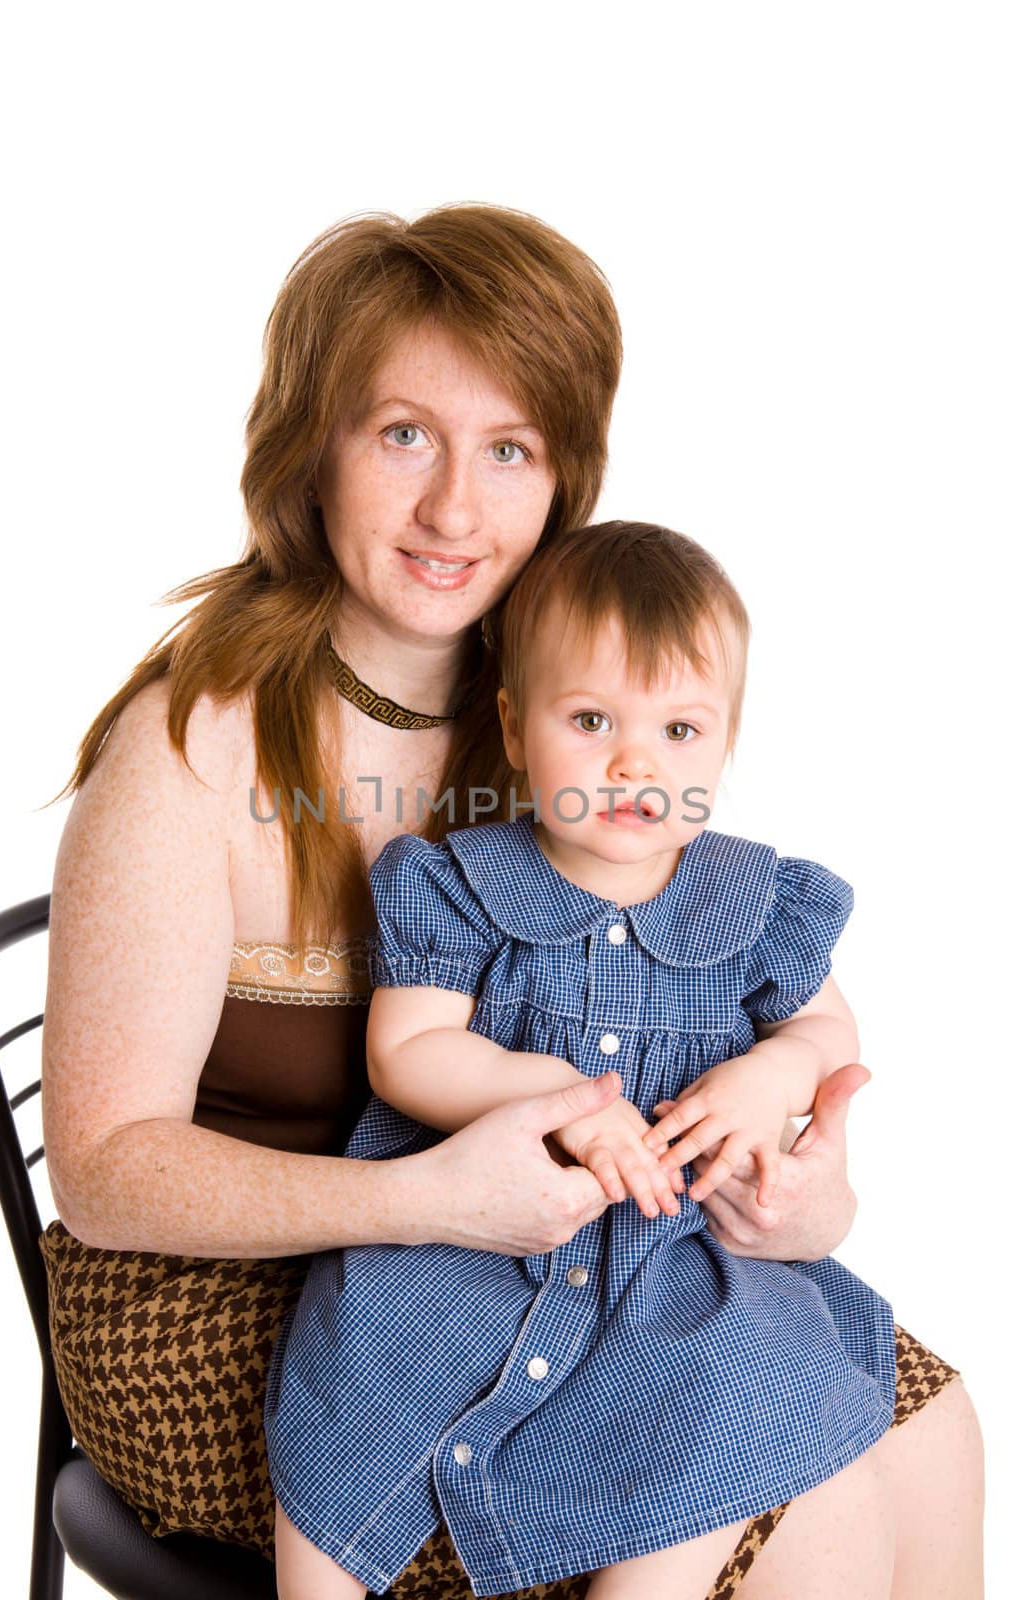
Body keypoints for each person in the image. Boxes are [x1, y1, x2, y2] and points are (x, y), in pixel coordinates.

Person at [38, 206, 981, 1600]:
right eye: (401, 434)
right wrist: (420, 1200)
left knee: (924, 1423)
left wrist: (790, 1176)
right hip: (225, 1301)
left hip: (551, 1254)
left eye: (509, 450)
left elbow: (709, 1008)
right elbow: (109, 1176)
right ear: (312, 447)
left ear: (564, 477)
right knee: (798, 1507)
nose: (452, 512)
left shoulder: (566, 724)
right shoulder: (198, 745)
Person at [265, 520, 896, 1599]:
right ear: (513, 729)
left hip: (673, 1259)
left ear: (727, 743)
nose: (632, 763)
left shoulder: (753, 904)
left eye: (680, 730)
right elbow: (407, 1049)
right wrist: (545, 1094)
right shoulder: (459, 883)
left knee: (738, 1389)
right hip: (471, 1239)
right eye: (590, 719)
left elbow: (827, 1032)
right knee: (359, 1368)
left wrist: (770, 1076)